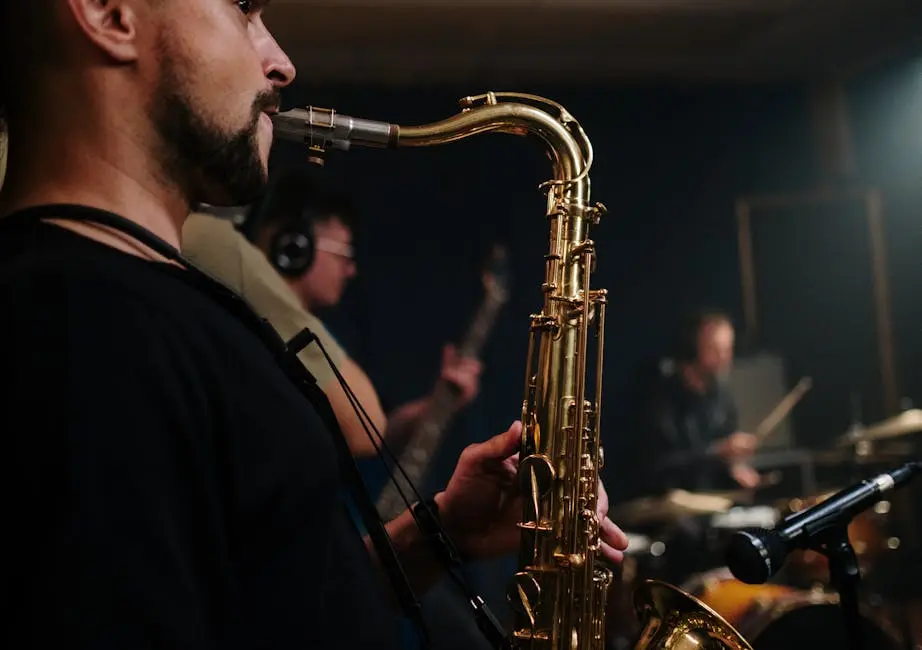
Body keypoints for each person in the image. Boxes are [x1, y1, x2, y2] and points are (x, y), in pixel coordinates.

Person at [0, 3, 627, 649]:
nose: (281, 63)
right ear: (108, 12)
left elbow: (275, 616)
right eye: (243, 11)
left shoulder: (124, 311)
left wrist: (441, 532)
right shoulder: (77, 331)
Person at [182, 170, 482, 460]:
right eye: (345, 253)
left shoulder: (321, 339)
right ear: (294, 245)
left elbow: (366, 428)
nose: (351, 270)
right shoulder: (239, 327)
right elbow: (367, 431)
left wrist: (434, 405)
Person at [628, 309, 760, 497]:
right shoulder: (660, 396)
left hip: (712, 501)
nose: (725, 357)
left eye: (728, 349)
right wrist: (717, 452)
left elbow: (725, 454)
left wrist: (736, 467)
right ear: (691, 348)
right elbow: (657, 465)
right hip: (665, 503)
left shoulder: (722, 396)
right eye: (715, 349)